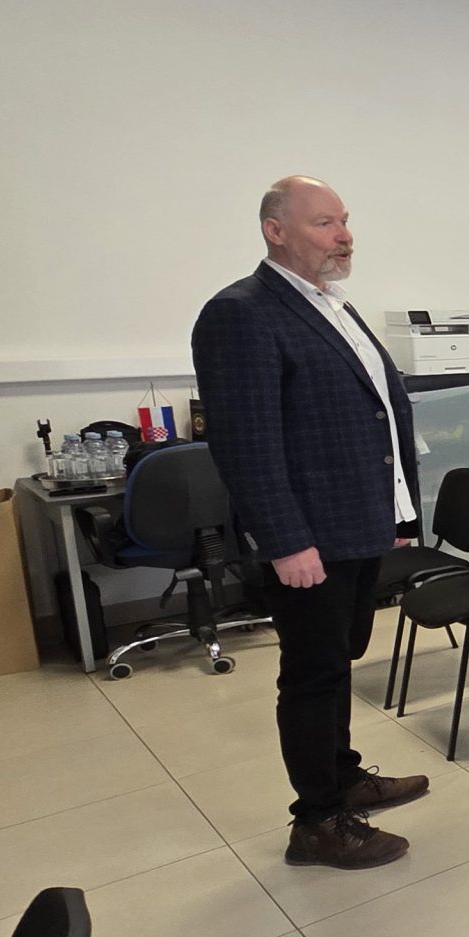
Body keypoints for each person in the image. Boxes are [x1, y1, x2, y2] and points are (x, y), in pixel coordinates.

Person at [191, 176, 429, 871]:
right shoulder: (241, 312)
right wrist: (285, 539)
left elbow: (378, 416)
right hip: (310, 536)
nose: (344, 235)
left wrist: (401, 511)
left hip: (358, 522)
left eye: (345, 221)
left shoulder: (334, 305)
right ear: (276, 230)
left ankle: (342, 774)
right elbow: (246, 442)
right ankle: (318, 821)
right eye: (325, 223)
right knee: (312, 673)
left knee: (338, 659)